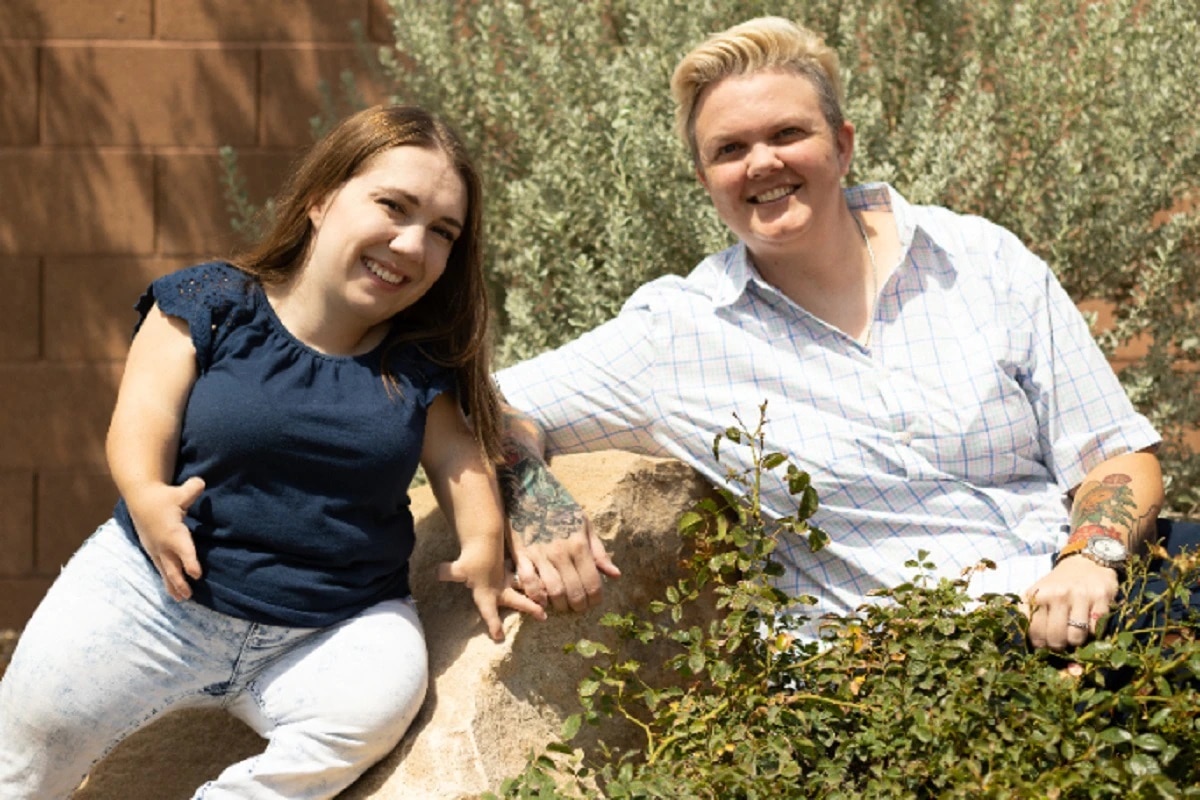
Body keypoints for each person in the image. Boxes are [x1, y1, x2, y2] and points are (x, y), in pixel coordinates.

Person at [496, 17, 1199, 651]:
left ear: (841, 144)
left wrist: (1089, 555)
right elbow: (473, 400)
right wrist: (533, 496)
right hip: (926, 659)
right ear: (705, 179)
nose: (762, 163)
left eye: (787, 134)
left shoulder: (979, 259)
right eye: (729, 149)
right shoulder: (677, 336)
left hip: (1095, 582)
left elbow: (1115, 455)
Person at [0, 104, 544, 799]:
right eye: (393, 206)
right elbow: (140, 416)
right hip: (156, 595)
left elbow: (457, 461)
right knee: (30, 742)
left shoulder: (417, 363)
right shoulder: (212, 302)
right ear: (320, 199)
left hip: (333, 625)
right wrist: (146, 494)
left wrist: (484, 544)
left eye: (442, 232)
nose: (412, 245)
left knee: (377, 699)